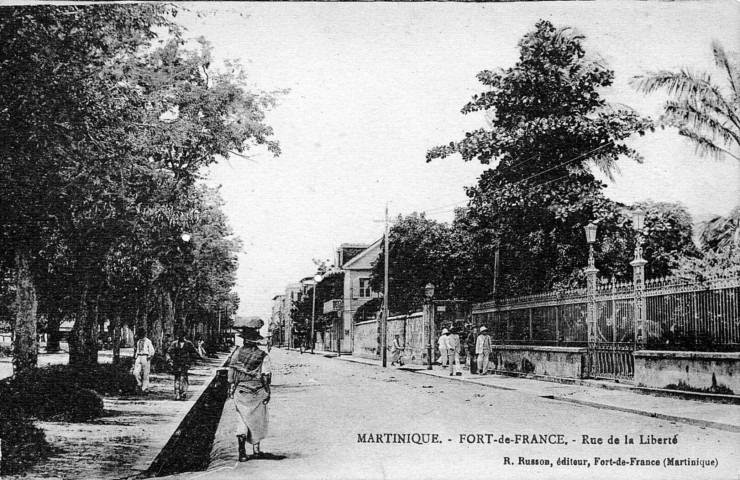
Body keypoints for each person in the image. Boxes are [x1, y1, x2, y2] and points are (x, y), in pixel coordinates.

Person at [228, 318, 272, 462]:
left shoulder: (236, 354)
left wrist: (231, 387)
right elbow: (266, 376)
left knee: (242, 420)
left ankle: (242, 452)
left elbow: (231, 375)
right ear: (256, 342)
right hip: (258, 391)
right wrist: (267, 392)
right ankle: (256, 450)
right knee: (257, 420)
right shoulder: (263, 356)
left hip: (241, 391)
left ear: (244, 340)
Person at [166, 329, 201, 400]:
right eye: (179, 336)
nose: (180, 337)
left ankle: (183, 393)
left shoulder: (188, 343)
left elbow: (194, 352)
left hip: (185, 363)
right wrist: (169, 360)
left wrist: (193, 359)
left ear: (184, 336)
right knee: (177, 378)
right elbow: (168, 352)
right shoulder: (174, 343)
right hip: (176, 363)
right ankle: (177, 393)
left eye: (182, 336)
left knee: (184, 378)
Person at [133, 328, 155, 393]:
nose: (141, 335)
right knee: (135, 373)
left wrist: (149, 357)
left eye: (142, 333)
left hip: (145, 356)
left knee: (146, 373)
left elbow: (152, 351)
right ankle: (139, 384)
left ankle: (144, 388)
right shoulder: (138, 342)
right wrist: (136, 357)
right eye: (140, 334)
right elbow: (137, 350)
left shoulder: (148, 341)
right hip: (139, 356)